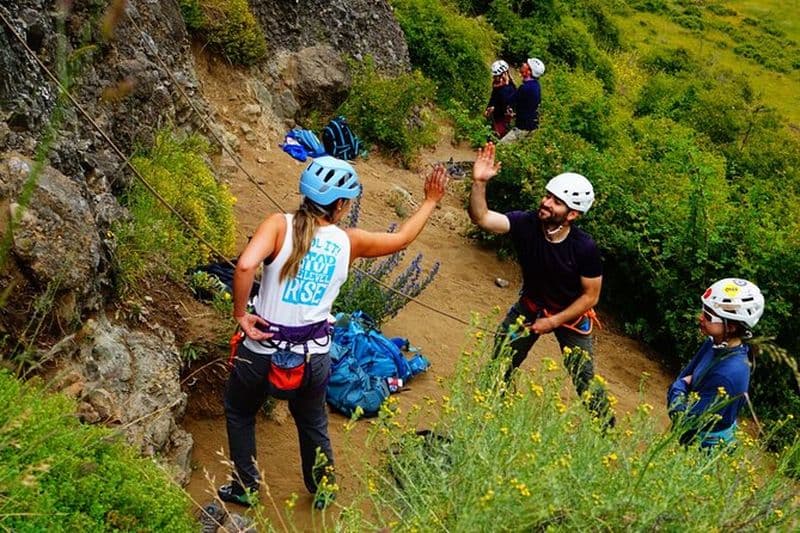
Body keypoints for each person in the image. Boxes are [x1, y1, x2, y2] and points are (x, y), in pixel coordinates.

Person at [219, 156, 448, 508]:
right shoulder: (349, 241)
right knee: (312, 420)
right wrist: (431, 200)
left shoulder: (278, 226)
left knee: (239, 411)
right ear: (340, 205)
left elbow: (246, 265)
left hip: (261, 350)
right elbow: (401, 239)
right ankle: (323, 489)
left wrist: (241, 315)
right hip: (313, 356)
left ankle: (245, 487)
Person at [468, 142, 612, 424]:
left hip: (571, 317)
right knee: (501, 359)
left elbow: (590, 297)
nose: (546, 203)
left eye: (556, 202)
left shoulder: (584, 248)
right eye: (548, 196)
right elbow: (483, 218)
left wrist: (553, 321)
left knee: (584, 378)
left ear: (572, 214)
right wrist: (479, 183)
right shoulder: (527, 223)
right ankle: (494, 412)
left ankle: (606, 428)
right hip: (531, 305)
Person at [667, 278, 764, 449]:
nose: (700, 317)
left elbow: (681, 416)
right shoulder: (715, 343)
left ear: (731, 327)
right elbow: (686, 374)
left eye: (708, 316)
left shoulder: (725, 375)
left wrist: (679, 387)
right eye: (703, 311)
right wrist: (682, 383)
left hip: (703, 446)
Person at [500, 57, 545, 144]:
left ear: (529, 72)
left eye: (527, 65)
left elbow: (508, 100)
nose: (524, 64)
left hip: (522, 128)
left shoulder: (525, 88)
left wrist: (505, 85)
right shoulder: (535, 85)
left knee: (499, 149)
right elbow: (524, 102)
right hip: (531, 127)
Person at [484, 60, 516, 139]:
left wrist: (494, 107)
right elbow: (493, 97)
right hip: (495, 116)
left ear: (504, 74)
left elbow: (508, 103)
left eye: (496, 76)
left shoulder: (510, 88)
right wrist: (489, 107)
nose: (494, 78)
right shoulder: (497, 85)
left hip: (503, 119)